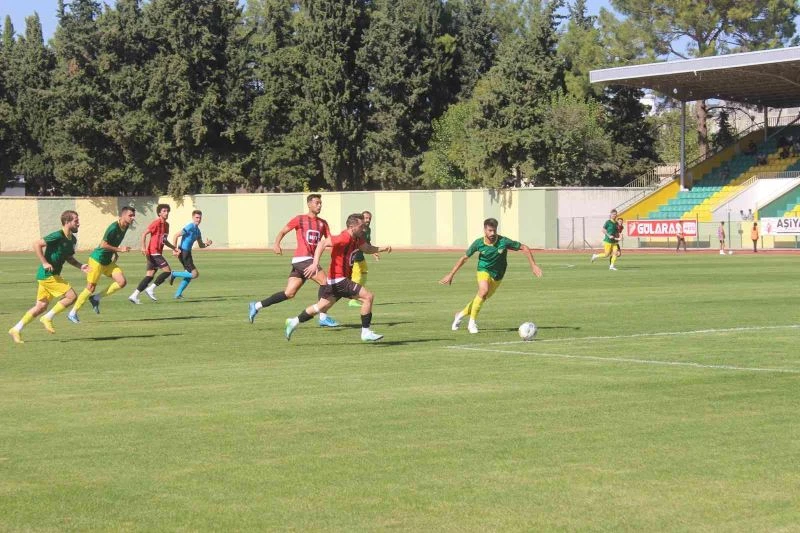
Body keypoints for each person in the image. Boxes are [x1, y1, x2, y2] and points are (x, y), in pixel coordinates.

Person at [284, 213, 392, 342]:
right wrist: (315, 263)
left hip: (335, 281)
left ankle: (294, 322)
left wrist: (382, 248)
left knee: (320, 307)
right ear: (352, 227)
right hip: (339, 279)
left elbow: (367, 248)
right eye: (361, 226)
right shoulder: (344, 237)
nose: (363, 228)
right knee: (368, 297)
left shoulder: (358, 238)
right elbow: (322, 243)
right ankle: (366, 332)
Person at [248, 194, 339, 327]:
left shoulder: (323, 223)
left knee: (289, 293)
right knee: (325, 282)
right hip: (303, 259)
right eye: (316, 203)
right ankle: (323, 316)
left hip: (304, 261)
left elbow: (330, 241)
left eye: (320, 203)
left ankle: (256, 306)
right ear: (309, 204)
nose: (319, 206)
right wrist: (276, 244)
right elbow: (283, 231)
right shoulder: (300, 219)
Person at [439, 217, 542, 334]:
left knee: (481, 298)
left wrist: (533, 265)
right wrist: (451, 274)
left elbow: (524, 247)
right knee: (483, 291)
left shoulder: (503, 241)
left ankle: (460, 314)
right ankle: (472, 323)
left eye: (494, 230)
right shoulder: (478, 243)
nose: (492, 233)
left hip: (498, 276)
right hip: (483, 270)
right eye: (490, 230)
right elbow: (464, 258)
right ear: (484, 230)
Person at [8, 210, 89, 343]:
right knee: (72, 296)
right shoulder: (57, 235)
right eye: (76, 221)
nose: (78, 223)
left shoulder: (72, 239)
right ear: (67, 222)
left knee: (40, 306)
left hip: (51, 275)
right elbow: (36, 244)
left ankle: (16, 329)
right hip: (48, 275)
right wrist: (45, 262)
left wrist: (80, 266)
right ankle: (48, 318)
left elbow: (68, 257)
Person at [67, 206, 135, 323]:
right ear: (123, 215)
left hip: (107, 261)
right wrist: (119, 249)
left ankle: (95, 298)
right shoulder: (113, 227)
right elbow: (103, 245)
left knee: (122, 282)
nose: (133, 218)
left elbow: (112, 243)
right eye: (130, 215)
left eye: (133, 216)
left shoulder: (126, 226)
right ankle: (72, 313)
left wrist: (114, 252)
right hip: (97, 260)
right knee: (90, 287)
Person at [128, 203, 177, 304]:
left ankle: (134, 295)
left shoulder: (167, 225)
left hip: (155, 253)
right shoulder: (156, 223)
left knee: (149, 276)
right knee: (167, 272)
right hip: (154, 252)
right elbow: (144, 234)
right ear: (159, 213)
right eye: (164, 211)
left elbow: (165, 240)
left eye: (167, 211)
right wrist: (143, 247)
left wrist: (174, 248)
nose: (166, 213)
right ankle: (150, 289)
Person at [170, 210, 212, 299]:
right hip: (183, 252)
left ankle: (178, 294)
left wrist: (207, 244)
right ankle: (174, 274)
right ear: (193, 218)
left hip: (188, 253)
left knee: (189, 275)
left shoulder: (198, 231)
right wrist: (175, 249)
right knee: (195, 274)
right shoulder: (189, 227)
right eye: (197, 217)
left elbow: (201, 245)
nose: (198, 219)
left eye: (200, 218)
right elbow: (176, 235)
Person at [348, 210, 380, 308]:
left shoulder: (368, 230)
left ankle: (358, 295)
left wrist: (374, 252)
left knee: (364, 275)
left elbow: (367, 243)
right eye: (366, 218)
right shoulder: (359, 231)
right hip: (355, 258)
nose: (368, 220)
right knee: (356, 278)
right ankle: (352, 300)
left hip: (361, 257)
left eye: (369, 218)